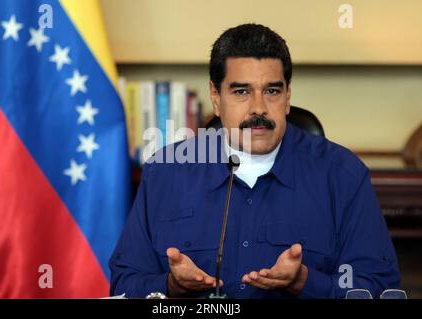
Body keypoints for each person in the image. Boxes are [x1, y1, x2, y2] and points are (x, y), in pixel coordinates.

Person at [109, 23, 400, 299]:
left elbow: (379, 287)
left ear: (287, 96)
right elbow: (124, 284)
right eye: (241, 91)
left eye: (272, 91)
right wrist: (171, 286)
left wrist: (305, 282)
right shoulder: (166, 172)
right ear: (216, 96)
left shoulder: (342, 174)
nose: (258, 108)